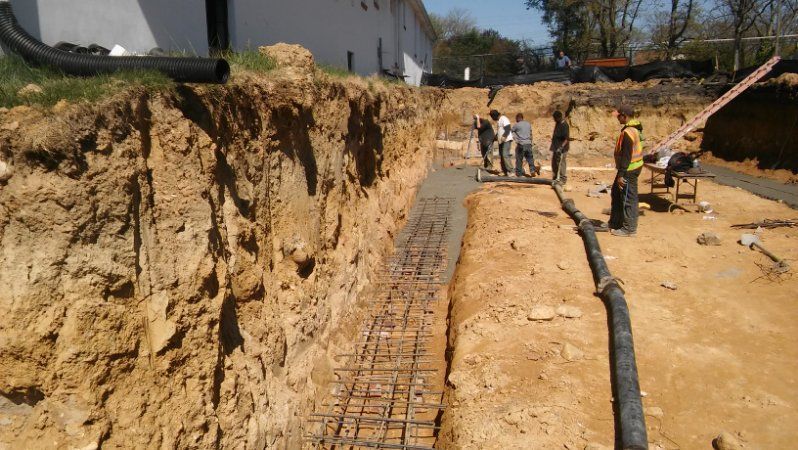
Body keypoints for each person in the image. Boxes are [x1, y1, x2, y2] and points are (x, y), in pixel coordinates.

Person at [609, 105, 644, 237]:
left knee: (628, 198)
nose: (617, 118)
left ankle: (629, 229)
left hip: (629, 169)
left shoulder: (629, 132)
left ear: (624, 116)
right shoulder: (632, 129)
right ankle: (616, 222)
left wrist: (621, 174)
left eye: (618, 116)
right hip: (629, 167)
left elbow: (627, 155)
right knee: (616, 193)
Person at [490, 109, 514, 176]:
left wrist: (504, 136)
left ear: (494, 116)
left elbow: (508, 128)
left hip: (506, 140)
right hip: (501, 141)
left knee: (505, 155)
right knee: (502, 156)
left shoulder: (503, 118)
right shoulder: (499, 121)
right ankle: (505, 171)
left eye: (492, 117)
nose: (492, 119)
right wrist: (495, 137)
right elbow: (500, 130)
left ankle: (511, 171)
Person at [550, 110, 570, 184]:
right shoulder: (557, 123)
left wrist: (561, 147)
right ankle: (555, 177)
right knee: (554, 163)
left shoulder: (564, 125)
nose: (554, 120)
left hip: (562, 148)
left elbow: (566, 138)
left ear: (559, 117)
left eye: (555, 118)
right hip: (555, 147)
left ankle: (562, 179)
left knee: (561, 163)